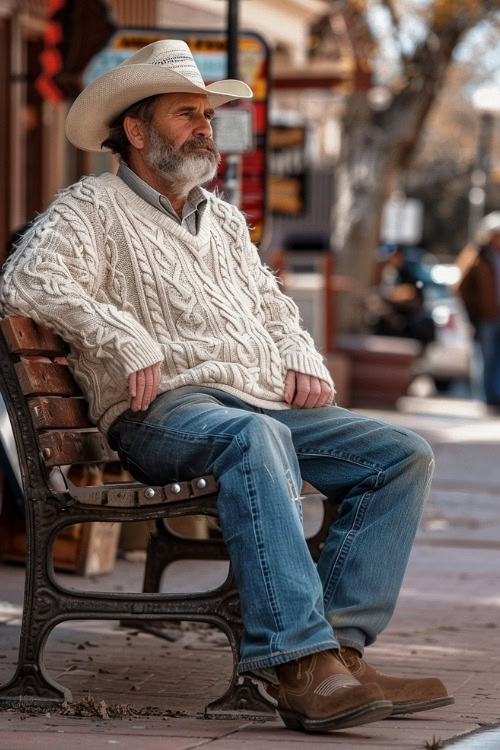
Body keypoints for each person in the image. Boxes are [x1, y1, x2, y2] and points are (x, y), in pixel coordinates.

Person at [0, 40, 453, 733]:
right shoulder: (89, 208)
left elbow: (272, 306)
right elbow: (26, 280)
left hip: (257, 408)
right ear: (137, 129)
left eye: (206, 115)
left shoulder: (223, 220)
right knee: (257, 436)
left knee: (401, 454)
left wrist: (302, 351)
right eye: (187, 114)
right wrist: (123, 336)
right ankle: (293, 662)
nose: (204, 128)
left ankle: (338, 654)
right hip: (163, 415)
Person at [456, 212, 500, 409]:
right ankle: (485, 398)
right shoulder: (476, 255)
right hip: (485, 316)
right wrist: (472, 309)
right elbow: (460, 286)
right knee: (485, 356)